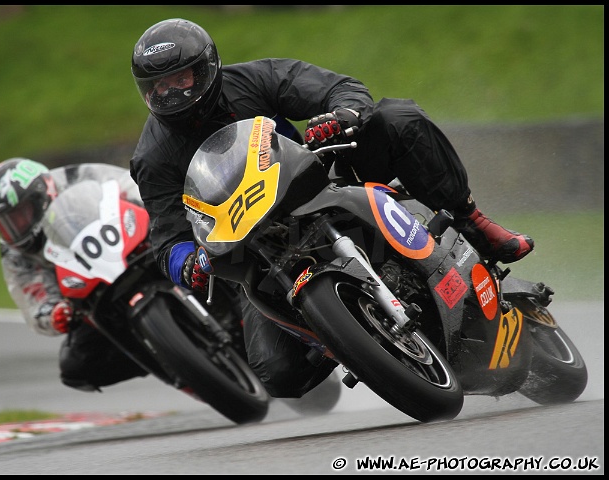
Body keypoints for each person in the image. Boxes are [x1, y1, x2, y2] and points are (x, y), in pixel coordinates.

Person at [129, 18, 535, 399]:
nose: (171, 94)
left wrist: (341, 115)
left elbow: (337, 88)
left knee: (397, 117)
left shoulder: (253, 78)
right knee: (277, 374)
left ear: (207, 69)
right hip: (254, 245)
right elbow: (168, 237)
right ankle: (345, 335)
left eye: (180, 79)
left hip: (318, 181)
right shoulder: (152, 157)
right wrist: (188, 263)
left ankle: (473, 221)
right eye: (158, 87)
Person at [0, 157, 149, 392]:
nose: (15, 228)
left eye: (20, 215)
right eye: (6, 223)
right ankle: (164, 359)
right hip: (90, 294)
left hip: (132, 247)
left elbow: (130, 185)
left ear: (40, 197)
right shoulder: (14, 251)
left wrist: (146, 208)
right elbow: (32, 296)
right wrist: (54, 313)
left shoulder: (75, 176)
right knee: (76, 367)